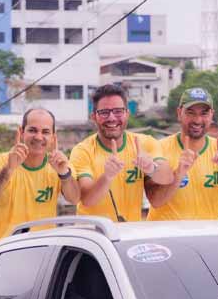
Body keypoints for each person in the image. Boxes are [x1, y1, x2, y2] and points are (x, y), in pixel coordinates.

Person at [147, 87, 218, 220]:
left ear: (212, 115)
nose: (197, 120)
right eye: (191, 113)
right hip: (167, 237)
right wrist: (178, 174)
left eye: (204, 113)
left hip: (204, 236)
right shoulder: (158, 148)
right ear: (179, 113)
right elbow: (155, 201)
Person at [69, 84, 173, 222]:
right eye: (104, 112)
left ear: (127, 114)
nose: (112, 118)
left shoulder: (145, 143)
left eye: (118, 111)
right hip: (93, 236)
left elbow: (167, 177)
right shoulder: (82, 151)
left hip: (129, 235)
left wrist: (151, 168)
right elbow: (87, 199)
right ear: (94, 116)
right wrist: (107, 177)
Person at [0, 108, 80, 244]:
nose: (38, 137)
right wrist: (8, 169)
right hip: (3, 251)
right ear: (21, 132)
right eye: (32, 130)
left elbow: (74, 199)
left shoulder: (60, 164)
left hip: (41, 251)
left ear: (53, 137)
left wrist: (64, 174)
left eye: (45, 132)